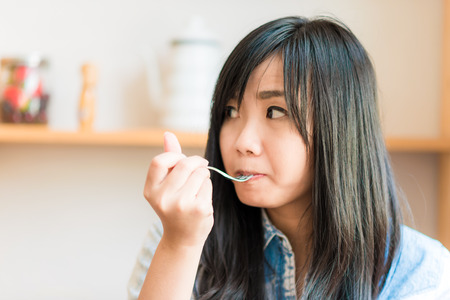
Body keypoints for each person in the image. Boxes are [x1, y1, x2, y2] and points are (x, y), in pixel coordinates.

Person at [128, 16, 450, 299]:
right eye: (231, 111)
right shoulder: (178, 237)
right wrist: (179, 246)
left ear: (339, 127)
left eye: (275, 111)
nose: (242, 142)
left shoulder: (420, 272)